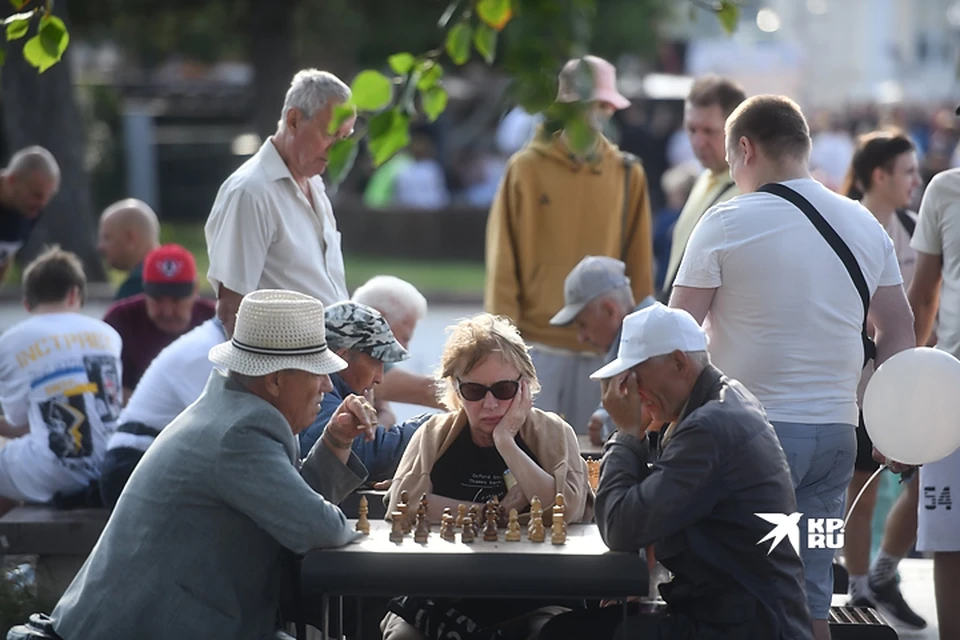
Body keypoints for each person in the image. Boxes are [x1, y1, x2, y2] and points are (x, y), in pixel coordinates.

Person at [670, 95, 916, 640]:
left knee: (739, 595)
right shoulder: (864, 224)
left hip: (748, 442)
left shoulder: (726, 221)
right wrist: (888, 421)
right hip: (832, 444)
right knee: (810, 596)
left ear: (745, 148)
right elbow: (899, 329)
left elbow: (677, 338)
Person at [40, 290, 377, 639]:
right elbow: (317, 527)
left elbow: (293, 507)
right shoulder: (240, 433)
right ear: (275, 381)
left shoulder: (242, 412)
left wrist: (336, 439)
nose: (326, 384)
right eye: (316, 372)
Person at [539, 303, 812, 640]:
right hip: (743, 617)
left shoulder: (710, 428)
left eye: (637, 377)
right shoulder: (724, 400)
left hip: (738, 627)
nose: (632, 392)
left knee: (562, 633)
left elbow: (622, 526)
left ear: (680, 363)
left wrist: (625, 433)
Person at [381, 313, 593, 640]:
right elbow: (404, 505)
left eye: (504, 389)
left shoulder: (552, 432)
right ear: (456, 389)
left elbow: (566, 507)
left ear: (525, 386)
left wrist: (506, 442)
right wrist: (495, 512)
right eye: (475, 391)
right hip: (446, 593)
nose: (490, 404)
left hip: (537, 594)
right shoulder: (436, 434)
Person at [485, 55, 654, 433]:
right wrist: (501, 347)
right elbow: (503, 263)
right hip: (536, 348)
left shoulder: (627, 173)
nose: (592, 115)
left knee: (594, 466)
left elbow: (639, 269)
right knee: (527, 461)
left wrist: (638, 349)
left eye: (599, 105)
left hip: (605, 351)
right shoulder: (525, 168)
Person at [837, 130, 927, 629]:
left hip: (910, 382)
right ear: (880, 175)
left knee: (916, 479)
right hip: (852, 385)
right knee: (852, 489)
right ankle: (850, 584)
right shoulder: (843, 223)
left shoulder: (916, 229)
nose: (918, 180)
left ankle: (877, 575)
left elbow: (919, 313)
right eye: (909, 172)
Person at [205, 69, 357, 337]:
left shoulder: (313, 183)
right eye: (330, 133)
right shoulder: (250, 192)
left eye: (344, 138)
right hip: (287, 371)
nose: (336, 149)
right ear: (294, 120)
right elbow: (232, 309)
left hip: (325, 363)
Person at [0, 247, 122, 515]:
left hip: (57, 469)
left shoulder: (12, 340)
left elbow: (19, 423)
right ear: (74, 294)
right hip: (111, 465)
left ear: (27, 304)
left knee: (12, 462)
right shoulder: (110, 335)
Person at [905, 164, 960, 639]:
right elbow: (923, 297)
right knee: (949, 539)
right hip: (952, 388)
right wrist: (906, 387)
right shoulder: (945, 189)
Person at [98, 317, 226, 507]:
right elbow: (226, 434)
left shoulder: (215, 341)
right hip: (132, 467)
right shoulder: (205, 351)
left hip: (159, 462)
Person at [299, 301, 427, 482]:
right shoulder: (319, 398)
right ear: (341, 357)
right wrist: (439, 426)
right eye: (376, 363)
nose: (379, 378)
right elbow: (372, 456)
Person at [549, 256, 655, 445]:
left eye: (583, 324)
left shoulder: (649, 338)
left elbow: (647, 417)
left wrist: (607, 425)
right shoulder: (634, 336)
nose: (581, 338)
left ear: (609, 310)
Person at [659, 75, 746, 301]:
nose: (698, 142)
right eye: (691, 129)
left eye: (709, 131)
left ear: (737, 131)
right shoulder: (704, 179)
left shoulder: (748, 193)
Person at [102, 243, 215, 400]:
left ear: (195, 289)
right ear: (144, 289)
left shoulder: (215, 320)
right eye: (157, 299)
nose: (167, 311)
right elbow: (105, 385)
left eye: (177, 300)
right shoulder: (120, 320)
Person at [351, 275, 443, 422]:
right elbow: (427, 391)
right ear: (378, 317)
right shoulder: (357, 359)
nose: (404, 349)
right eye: (404, 338)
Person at [0, 146, 60, 283]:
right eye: (36, 195)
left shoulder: (29, 209)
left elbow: (6, 253)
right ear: (11, 181)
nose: (42, 204)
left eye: (49, 196)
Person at [96, 198, 160, 300]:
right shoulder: (182, 284)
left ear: (131, 238)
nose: (100, 246)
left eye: (107, 237)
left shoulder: (134, 291)